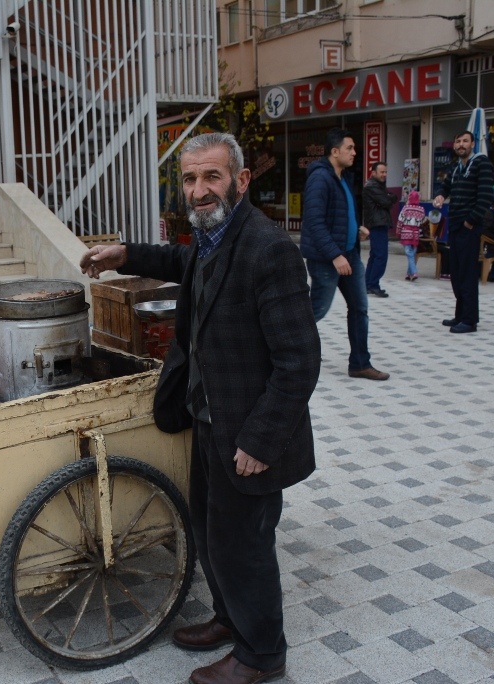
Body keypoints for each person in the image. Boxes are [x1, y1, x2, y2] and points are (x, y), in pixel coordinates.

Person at [80, 132, 320, 684]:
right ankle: (230, 619)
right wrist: (124, 254)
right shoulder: (214, 237)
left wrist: (260, 441)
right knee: (211, 535)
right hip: (211, 421)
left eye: (212, 175)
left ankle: (262, 655)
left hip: (248, 433)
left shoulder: (269, 249)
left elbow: (300, 361)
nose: (199, 189)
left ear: (241, 180)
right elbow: (184, 259)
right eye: (190, 178)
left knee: (244, 546)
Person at [301, 128, 389, 381]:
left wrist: (356, 229)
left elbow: (339, 214)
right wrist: (335, 255)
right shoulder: (320, 178)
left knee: (360, 308)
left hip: (349, 254)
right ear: (334, 151)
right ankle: (281, 351)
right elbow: (314, 222)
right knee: (315, 310)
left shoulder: (342, 177)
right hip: (328, 259)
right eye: (349, 148)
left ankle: (360, 364)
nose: (354, 152)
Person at [433, 131, 494, 333]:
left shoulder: (481, 163)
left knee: (467, 274)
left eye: (465, 141)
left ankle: (469, 320)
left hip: (468, 227)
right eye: (458, 141)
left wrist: (470, 221)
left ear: (472, 144)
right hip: (455, 226)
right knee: (456, 274)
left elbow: (485, 197)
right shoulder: (457, 166)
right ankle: (460, 315)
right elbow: (445, 186)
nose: (461, 144)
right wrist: (440, 196)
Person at [362, 162, 399, 297]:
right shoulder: (372, 186)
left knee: (375, 255)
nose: (384, 174)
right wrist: (389, 197)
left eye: (385, 172)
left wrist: (389, 197)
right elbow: (386, 201)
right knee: (381, 256)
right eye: (381, 172)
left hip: (379, 223)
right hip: (377, 224)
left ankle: (368, 284)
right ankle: (373, 285)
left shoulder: (378, 186)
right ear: (373, 173)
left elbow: (389, 198)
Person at [396, 190, 426, 281]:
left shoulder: (406, 208)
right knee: (412, 253)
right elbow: (422, 221)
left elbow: (400, 220)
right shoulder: (421, 209)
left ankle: (413, 272)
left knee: (409, 253)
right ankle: (409, 274)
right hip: (416, 234)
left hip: (406, 233)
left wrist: (398, 232)